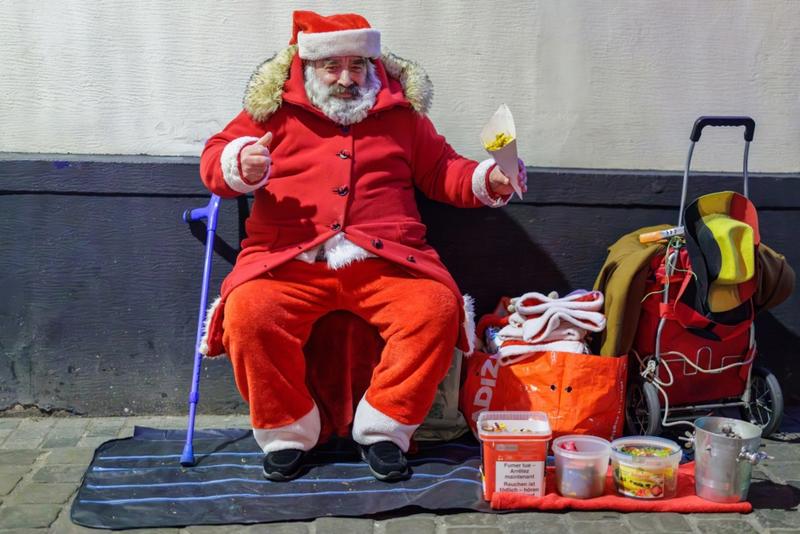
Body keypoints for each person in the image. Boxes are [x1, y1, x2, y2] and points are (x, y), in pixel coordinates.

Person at [198, 10, 527, 482]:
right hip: (290, 258)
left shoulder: (401, 115)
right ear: (309, 68)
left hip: (385, 258)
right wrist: (239, 163)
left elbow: (443, 172)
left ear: (372, 65)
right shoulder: (272, 110)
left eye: (357, 67)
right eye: (332, 67)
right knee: (249, 313)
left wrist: (491, 178)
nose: (346, 79)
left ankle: (384, 429)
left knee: (435, 308)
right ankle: (287, 431)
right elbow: (214, 157)